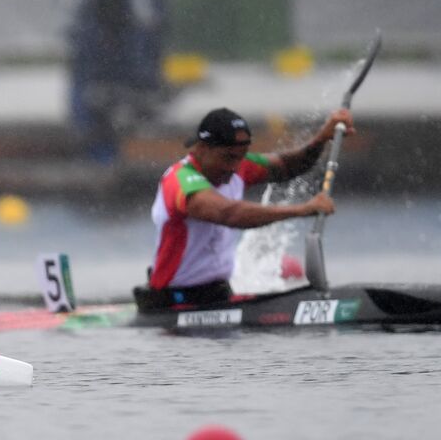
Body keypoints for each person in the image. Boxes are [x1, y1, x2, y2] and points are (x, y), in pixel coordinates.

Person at [138, 106, 354, 309]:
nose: (234, 167)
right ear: (202, 149)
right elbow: (229, 214)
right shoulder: (180, 181)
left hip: (217, 298)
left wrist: (323, 137)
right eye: (228, 157)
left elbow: (288, 166)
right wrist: (302, 209)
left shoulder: (238, 167)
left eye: (240, 158)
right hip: (172, 305)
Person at [68, 0, 170, 164]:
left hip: (122, 61)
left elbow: (150, 17)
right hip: (104, 61)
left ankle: (121, 147)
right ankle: (102, 151)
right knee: (98, 102)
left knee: (120, 101)